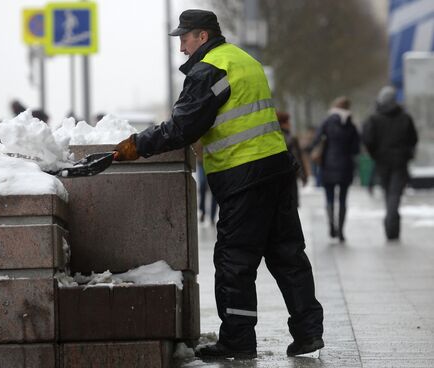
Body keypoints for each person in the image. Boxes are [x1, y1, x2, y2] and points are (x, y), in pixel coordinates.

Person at [113, 9, 323, 359]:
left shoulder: (210, 69)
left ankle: (239, 340)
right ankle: (308, 331)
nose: (181, 47)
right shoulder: (245, 60)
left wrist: (138, 145)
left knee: (234, 261)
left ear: (203, 37)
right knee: (288, 255)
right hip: (277, 169)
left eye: (184, 38)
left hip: (245, 176)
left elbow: (183, 126)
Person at [362, 86, 418, 240]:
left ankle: (391, 223)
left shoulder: (374, 118)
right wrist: (408, 152)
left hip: (382, 161)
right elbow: (413, 139)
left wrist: (375, 154)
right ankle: (392, 224)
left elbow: (368, 140)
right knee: (395, 194)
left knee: (388, 192)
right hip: (400, 161)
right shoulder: (405, 118)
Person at [310, 97, 360, 242]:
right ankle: (341, 231)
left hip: (328, 166)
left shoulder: (326, 122)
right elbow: (356, 148)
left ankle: (332, 226)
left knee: (330, 198)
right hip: (346, 167)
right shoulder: (351, 125)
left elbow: (315, 141)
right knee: (343, 199)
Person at [278, 111, 308, 206]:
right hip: (290, 175)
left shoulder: (272, 138)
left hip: (277, 176)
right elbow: (298, 158)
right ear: (284, 123)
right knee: (291, 205)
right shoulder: (291, 138)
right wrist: (303, 175)